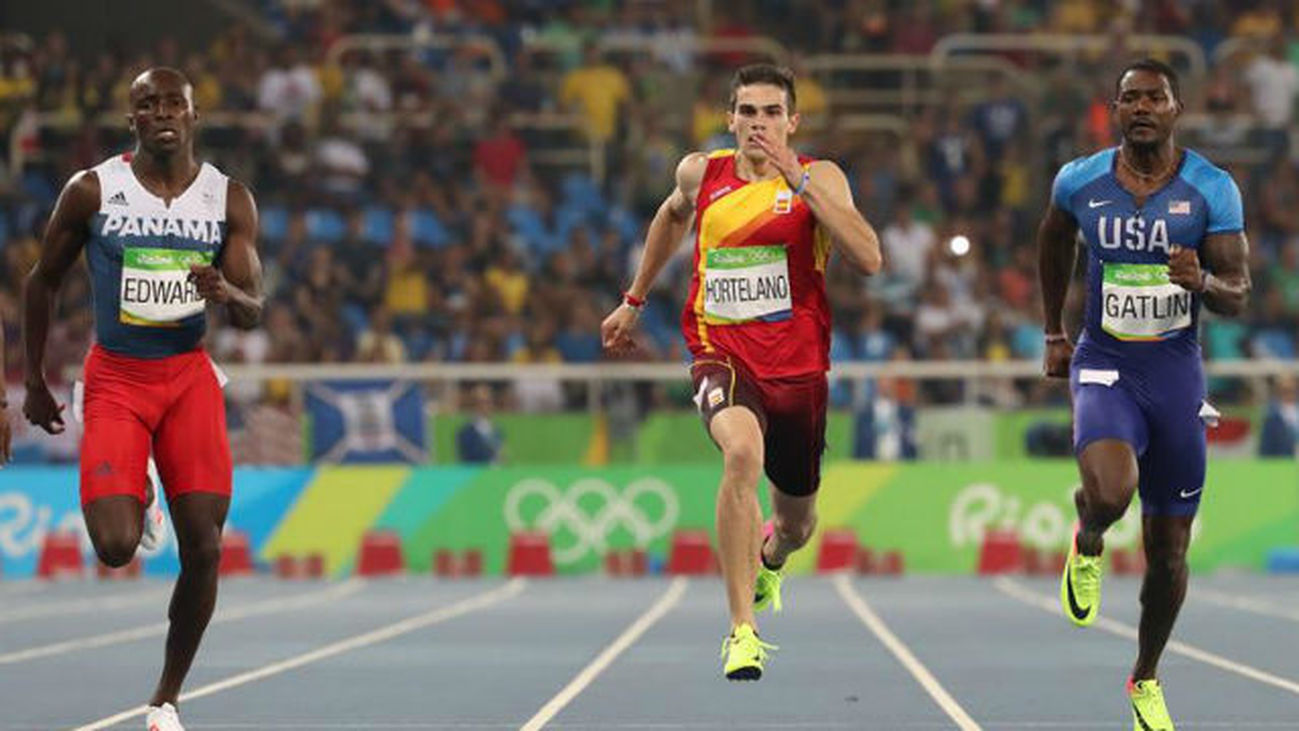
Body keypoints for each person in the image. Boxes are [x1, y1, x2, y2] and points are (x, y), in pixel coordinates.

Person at [601, 63, 882, 681]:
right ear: (729, 118)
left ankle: (771, 560)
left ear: (792, 121)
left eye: (772, 113)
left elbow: (868, 258)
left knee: (797, 525)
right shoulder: (701, 172)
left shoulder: (820, 176)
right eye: (747, 112)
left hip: (798, 371)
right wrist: (634, 299)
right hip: (720, 351)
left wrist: (800, 183)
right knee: (740, 455)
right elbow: (672, 215)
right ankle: (742, 631)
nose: (759, 124)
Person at [23, 67, 263, 731]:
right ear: (131, 119)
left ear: (192, 115)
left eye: (174, 104)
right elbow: (41, 281)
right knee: (114, 546)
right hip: (117, 379)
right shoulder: (93, 190)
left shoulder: (227, 199)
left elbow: (252, 310)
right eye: (148, 104)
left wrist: (227, 293)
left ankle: (165, 699)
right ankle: (142, 487)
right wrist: (36, 381)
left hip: (187, 378)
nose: (162, 113)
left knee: (204, 549)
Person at [1038, 59, 1250, 731]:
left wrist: (1202, 282)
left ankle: (1145, 676)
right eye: (1129, 98)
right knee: (1109, 492)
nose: (1141, 108)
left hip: (1175, 375)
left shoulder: (1210, 189)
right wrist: (1054, 331)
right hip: (1104, 364)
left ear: (1175, 108)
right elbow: (1052, 241)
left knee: (1169, 551)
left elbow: (1238, 294)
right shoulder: (1079, 180)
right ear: (1115, 110)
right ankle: (1089, 534)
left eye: (1154, 97)